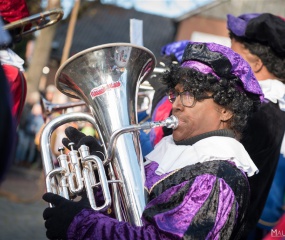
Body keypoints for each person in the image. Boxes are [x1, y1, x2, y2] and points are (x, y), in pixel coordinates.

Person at [42, 42, 264, 240]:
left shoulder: (216, 177)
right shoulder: (172, 153)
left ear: (225, 110)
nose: (176, 104)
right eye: (175, 94)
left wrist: (81, 225)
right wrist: (104, 174)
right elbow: (133, 212)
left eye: (190, 95)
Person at [227, 13, 285, 238]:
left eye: (234, 57)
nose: (227, 64)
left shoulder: (256, 111)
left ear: (257, 64)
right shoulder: (272, 107)